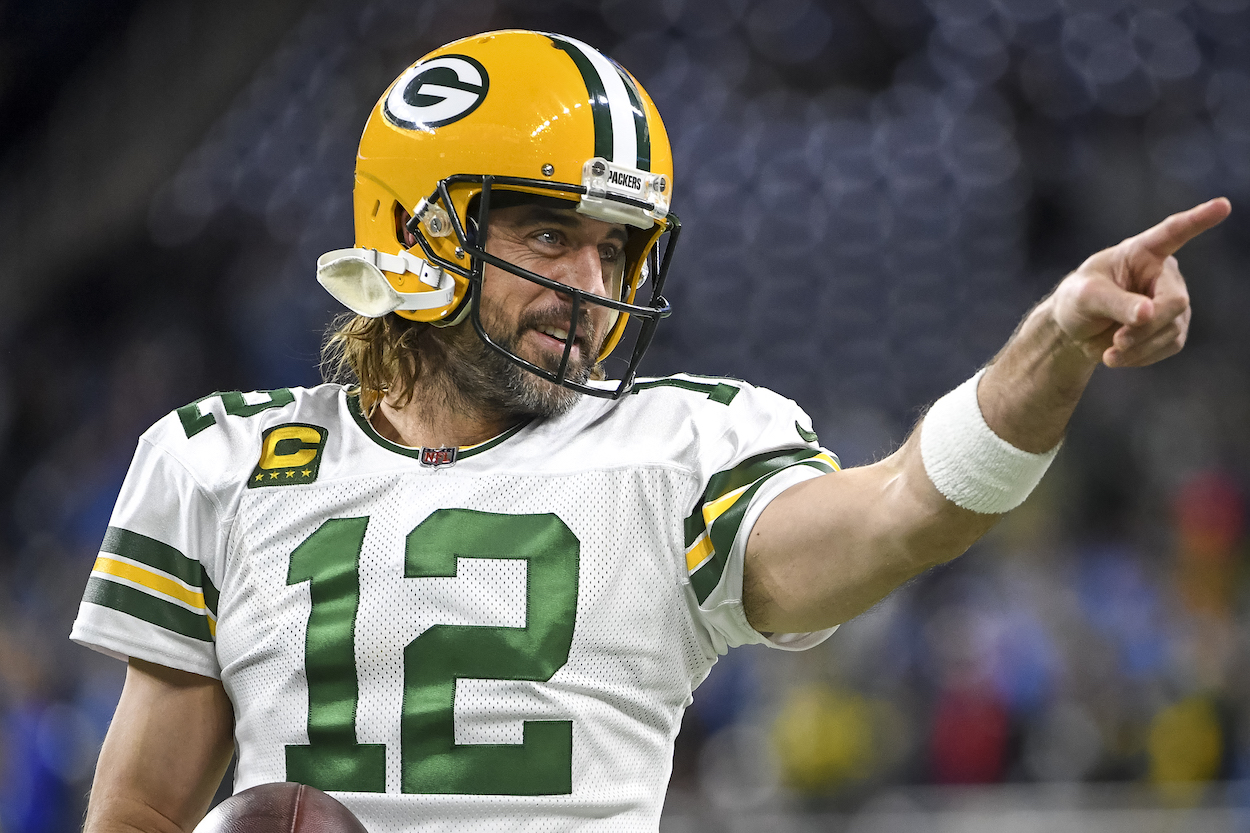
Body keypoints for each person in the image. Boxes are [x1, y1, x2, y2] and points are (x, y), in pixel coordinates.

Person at [73, 29, 1229, 833]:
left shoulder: (678, 451)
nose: (589, 284)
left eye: (615, 249)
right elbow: (135, 808)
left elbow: (904, 510)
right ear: (419, 232)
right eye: (548, 238)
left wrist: (1056, 341)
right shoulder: (219, 460)